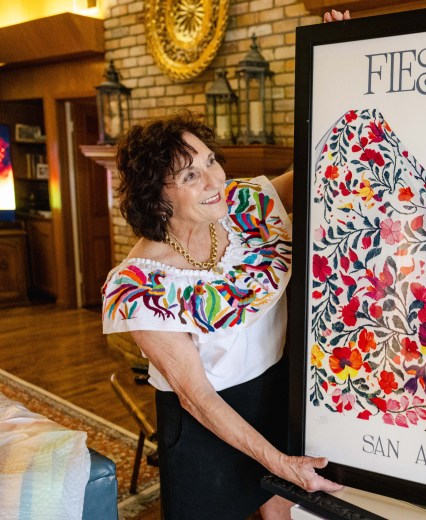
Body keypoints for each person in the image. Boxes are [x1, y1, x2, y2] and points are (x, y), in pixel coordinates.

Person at [102, 111, 341, 519]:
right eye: (190, 175)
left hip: (276, 394)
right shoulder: (139, 287)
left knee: (282, 509)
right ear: (155, 194)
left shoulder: (245, 205)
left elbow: (318, 174)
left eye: (211, 160)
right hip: (205, 427)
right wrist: (278, 461)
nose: (215, 181)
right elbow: (196, 398)